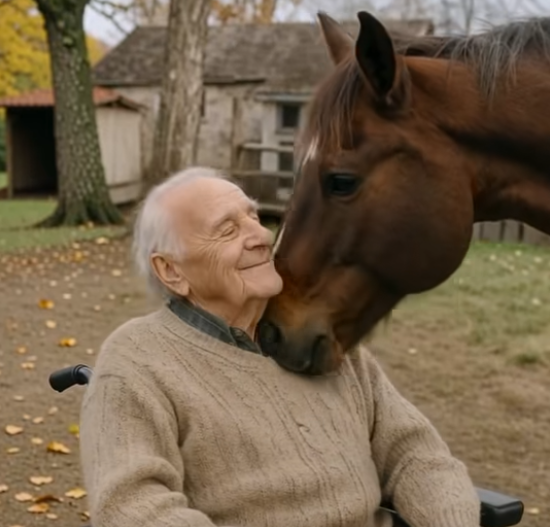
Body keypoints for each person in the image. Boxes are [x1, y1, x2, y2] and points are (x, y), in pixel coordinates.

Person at [79, 167, 480, 527]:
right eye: (228, 229)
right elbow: (134, 508)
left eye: (254, 217)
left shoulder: (320, 333)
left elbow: (417, 456)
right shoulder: (137, 360)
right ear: (171, 270)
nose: (263, 236)